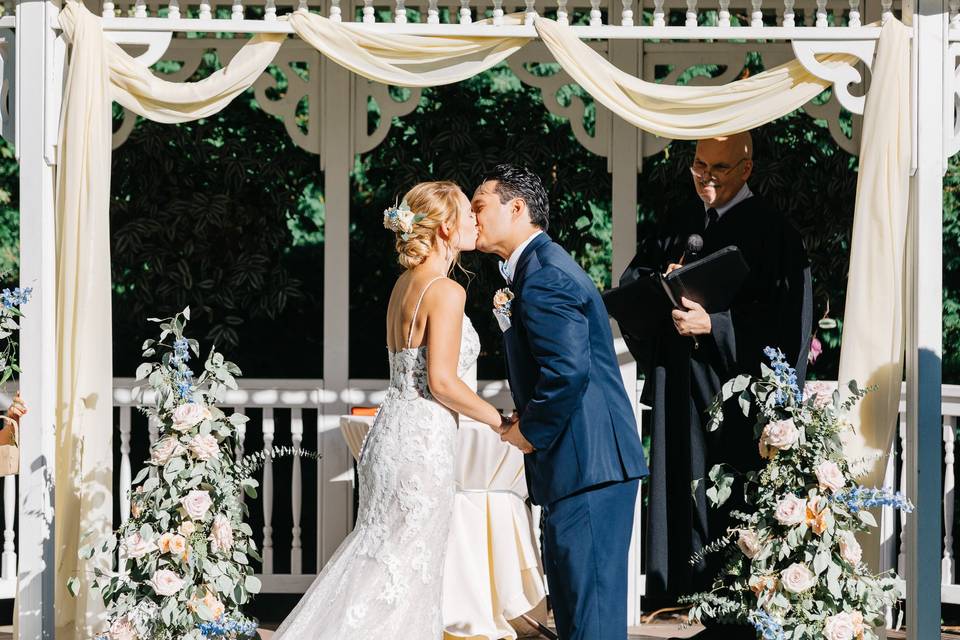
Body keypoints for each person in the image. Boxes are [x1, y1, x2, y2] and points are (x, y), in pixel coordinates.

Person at [273, 181, 512, 639]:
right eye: (467, 215)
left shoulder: (405, 284)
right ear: (445, 229)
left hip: (392, 435)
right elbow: (442, 382)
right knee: (402, 571)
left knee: (380, 561)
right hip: (422, 445)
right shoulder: (446, 291)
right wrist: (498, 420)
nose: (475, 222)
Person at [619, 132, 813, 609]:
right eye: (699, 166)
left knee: (727, 503)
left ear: (746, 170)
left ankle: (732, 608)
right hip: (680, 390)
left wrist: (717, 325)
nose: (705, 177)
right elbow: (631, 284)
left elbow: (788, 323)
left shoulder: (774, 232)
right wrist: (657, 285)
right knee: (679, 494)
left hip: (735, 406)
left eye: (718, 169)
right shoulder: (679, 223)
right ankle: (678, 597)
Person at [473, 164, 648, 640]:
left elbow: (567, 373)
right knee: (576, 617)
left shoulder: (546, 275)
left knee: (590, 623)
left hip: (589, 467)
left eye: (479, 206)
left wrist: (528, 432)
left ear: (516, 208)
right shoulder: (535, 269)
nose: (472, 218)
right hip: (581, 467)